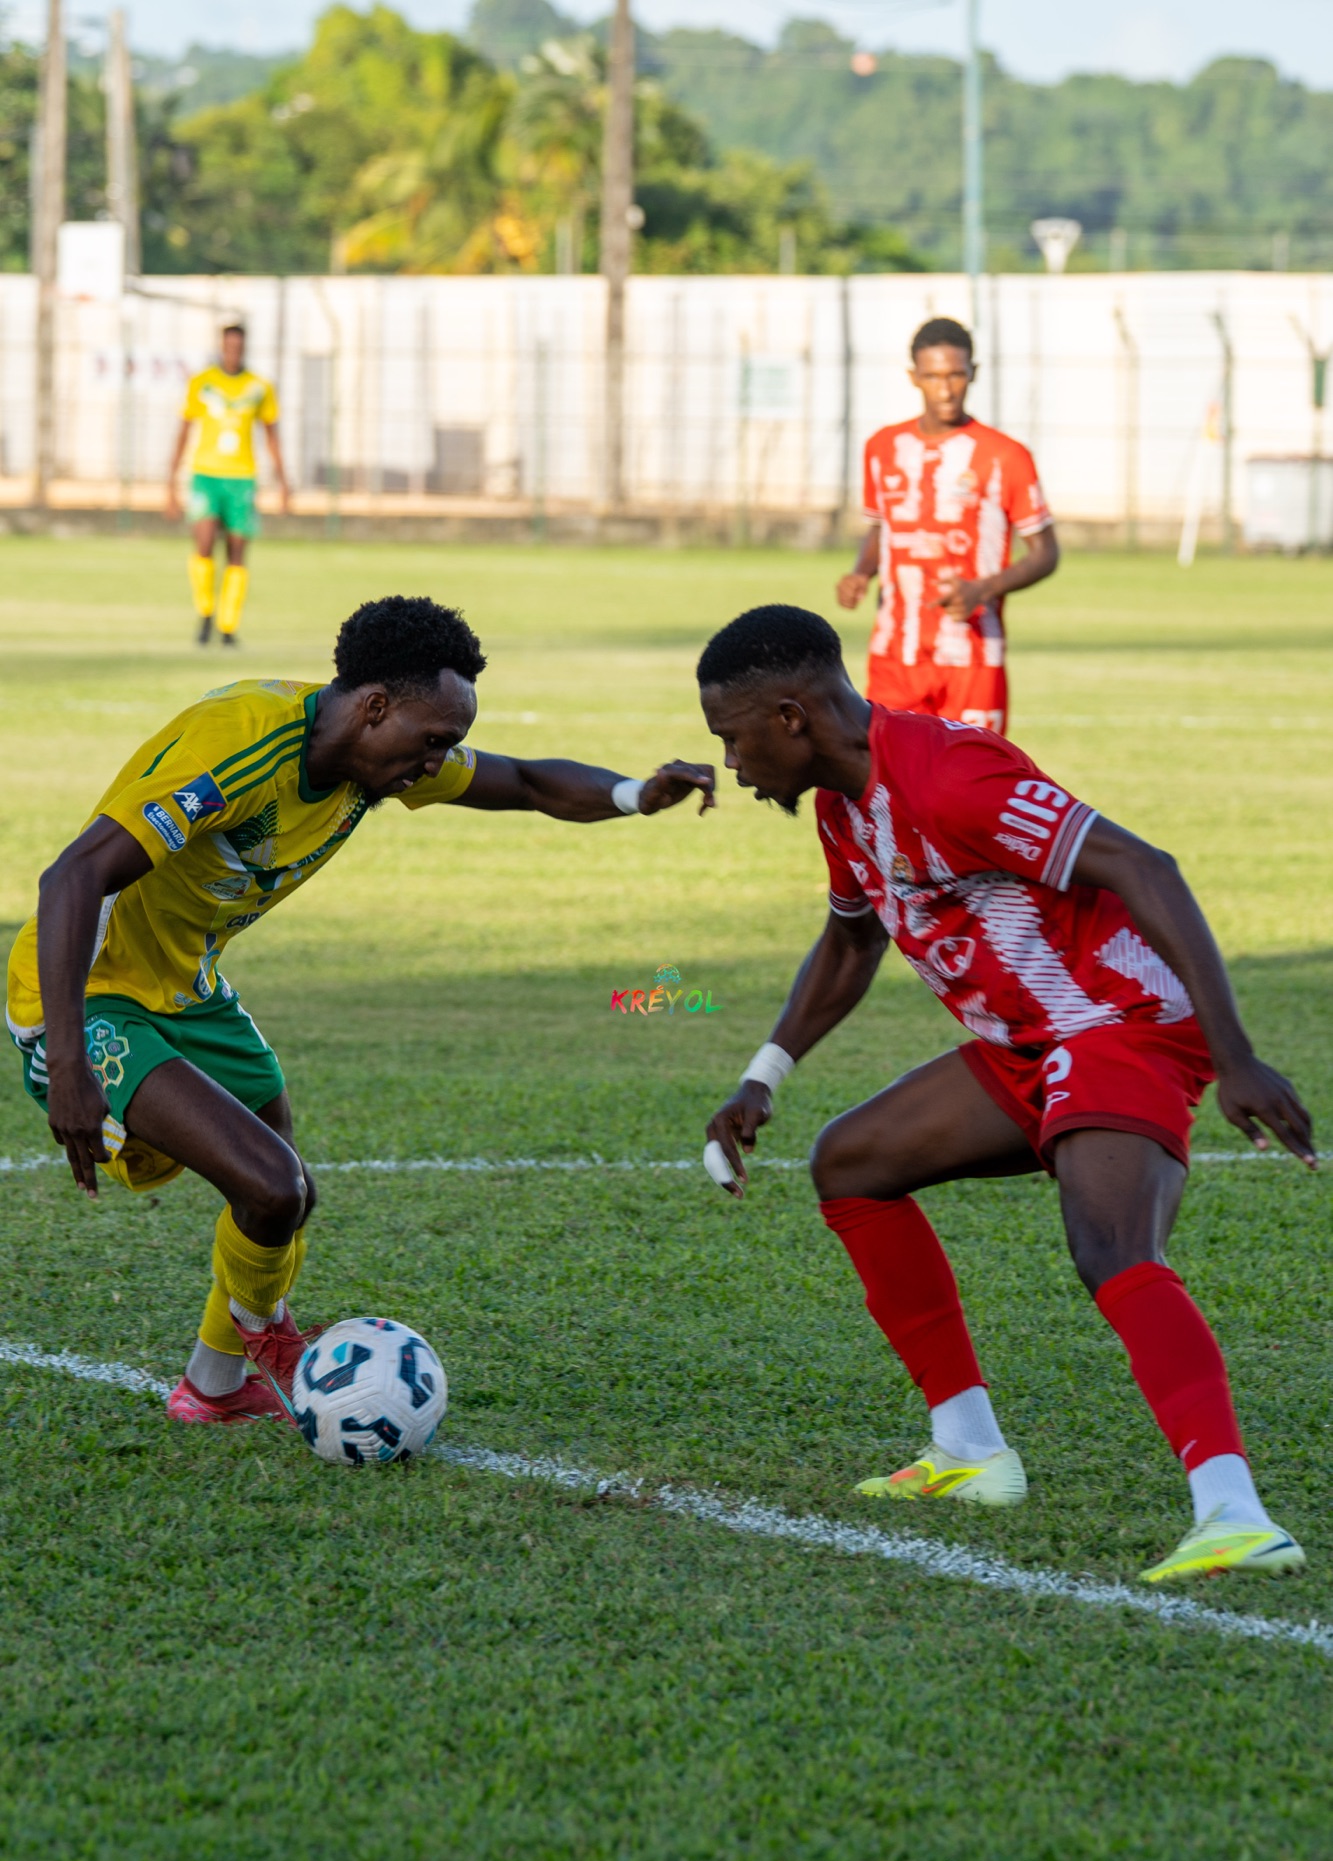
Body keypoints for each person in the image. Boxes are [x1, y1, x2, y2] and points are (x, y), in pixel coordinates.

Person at [699, 603, 1312, 1584]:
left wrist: (1234, 1055)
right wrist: (762, 1074)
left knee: (1111, 1248)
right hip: (1027, 1044)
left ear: (789, 717)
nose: (730, 765)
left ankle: (1234, 1512)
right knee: (852, 1162)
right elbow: (852, 940)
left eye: (731, 739)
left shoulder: (951, 775)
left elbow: (1142, 865)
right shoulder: (841, 807)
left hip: (1118, 1024)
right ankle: (970, 1451)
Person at [8, 596, 714, 1427]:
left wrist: (636, 793)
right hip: (87, 989)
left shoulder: (371, 756)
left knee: (285, 1188)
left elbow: (524, 781)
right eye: (432, 741)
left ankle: (214, 1388)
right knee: (272, 1186)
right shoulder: (240, 744)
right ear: (375, 707)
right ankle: (269, 1338)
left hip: (186, 986)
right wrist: (68, 1061)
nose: (436, 763)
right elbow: (74, 875)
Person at [836, 317, 1058, 736]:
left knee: (971, 772)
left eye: (956, 375)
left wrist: (982, 589)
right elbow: (882, 528)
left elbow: (1046, 552)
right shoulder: (882, 448)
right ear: (914, 377)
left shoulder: (1006, 456)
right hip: (895, 654)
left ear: (973, 373)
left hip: (971, 653)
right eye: (933, 377)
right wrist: (861, 573)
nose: (945, 389)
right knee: (887, 770)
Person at [166, 323, 291, 648]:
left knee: (236, 551)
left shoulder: (259, 387)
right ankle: (205, 613)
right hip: (206, 475)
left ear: (244, 348)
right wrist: (170, 483)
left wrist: (284, 483)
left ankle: (228, 626)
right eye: (228, 347)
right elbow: (183, 431)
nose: (233, 352)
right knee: (204, 544)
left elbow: (272, 436)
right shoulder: (202, 382)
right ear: (222, 347)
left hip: (242, 478)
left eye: (238, 347)